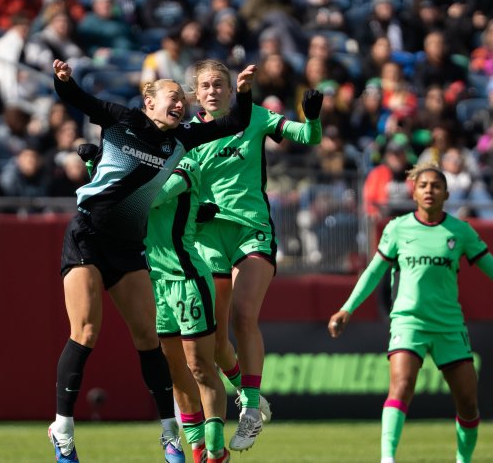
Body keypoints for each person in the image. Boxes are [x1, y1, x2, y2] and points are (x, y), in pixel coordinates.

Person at [48, 58, 255, 463]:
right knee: (86, 331)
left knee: (149, 339)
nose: (179, 103)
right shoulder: (120, 119)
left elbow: (232, 124)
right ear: (149, 102)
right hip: (87, 236)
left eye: (183, 98)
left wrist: (244, 94)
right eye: (172, 97)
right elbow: (79, 99)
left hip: (128, 247)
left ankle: (169, 436)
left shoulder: (183, 140)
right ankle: (63, 430)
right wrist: (64, 81)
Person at [328, 164, 493, 463]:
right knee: (402, 384)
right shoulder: (398, 228)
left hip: (449, 325)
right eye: (423, 186)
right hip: (409, 321)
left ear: (447, 193)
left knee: (468, 403)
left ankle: (463, 461)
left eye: (436, 186)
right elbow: (373, 272)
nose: (429, 191)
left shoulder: (460, 231)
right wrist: (347, 308)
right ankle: (387, 459)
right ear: (414, 192)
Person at [185, 59, 323, 451]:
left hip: (252, 231)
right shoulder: (187, 135)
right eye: (206, 86)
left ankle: (248, 414)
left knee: (244, 315)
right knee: (213, 340)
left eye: (219, 85)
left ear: (232, 91)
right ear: (197, 94)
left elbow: (308, 137)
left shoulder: (257, 117)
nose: (213, 91)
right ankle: (248, 396)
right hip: (208, 238)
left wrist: (311, 119)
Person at [144, 156, 230, 463]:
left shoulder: (187, 163)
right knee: (175, 372)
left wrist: (113, 175)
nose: (178, 105)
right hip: (154, 283)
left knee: (199, 366)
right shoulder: (136, 165)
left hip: (187, 280)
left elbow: (151, 197)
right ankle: (198, 452)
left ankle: (216, 446)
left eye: (181, 102)